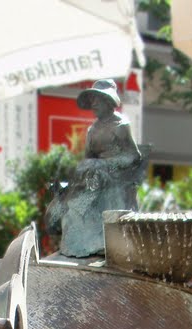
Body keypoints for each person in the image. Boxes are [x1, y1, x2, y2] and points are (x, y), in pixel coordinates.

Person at [47, 79, 143, 257]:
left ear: (108, 101)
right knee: (73, 194)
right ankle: (76, 235)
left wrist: (107, 164)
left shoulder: (121, 125)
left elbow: (133, 155)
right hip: (94, 176)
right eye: (92, 100)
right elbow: (88, 158)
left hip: (116, 176)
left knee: (93, 189)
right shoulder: (92, 130)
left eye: (97, 100)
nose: (94, 104)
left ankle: (101, 240)